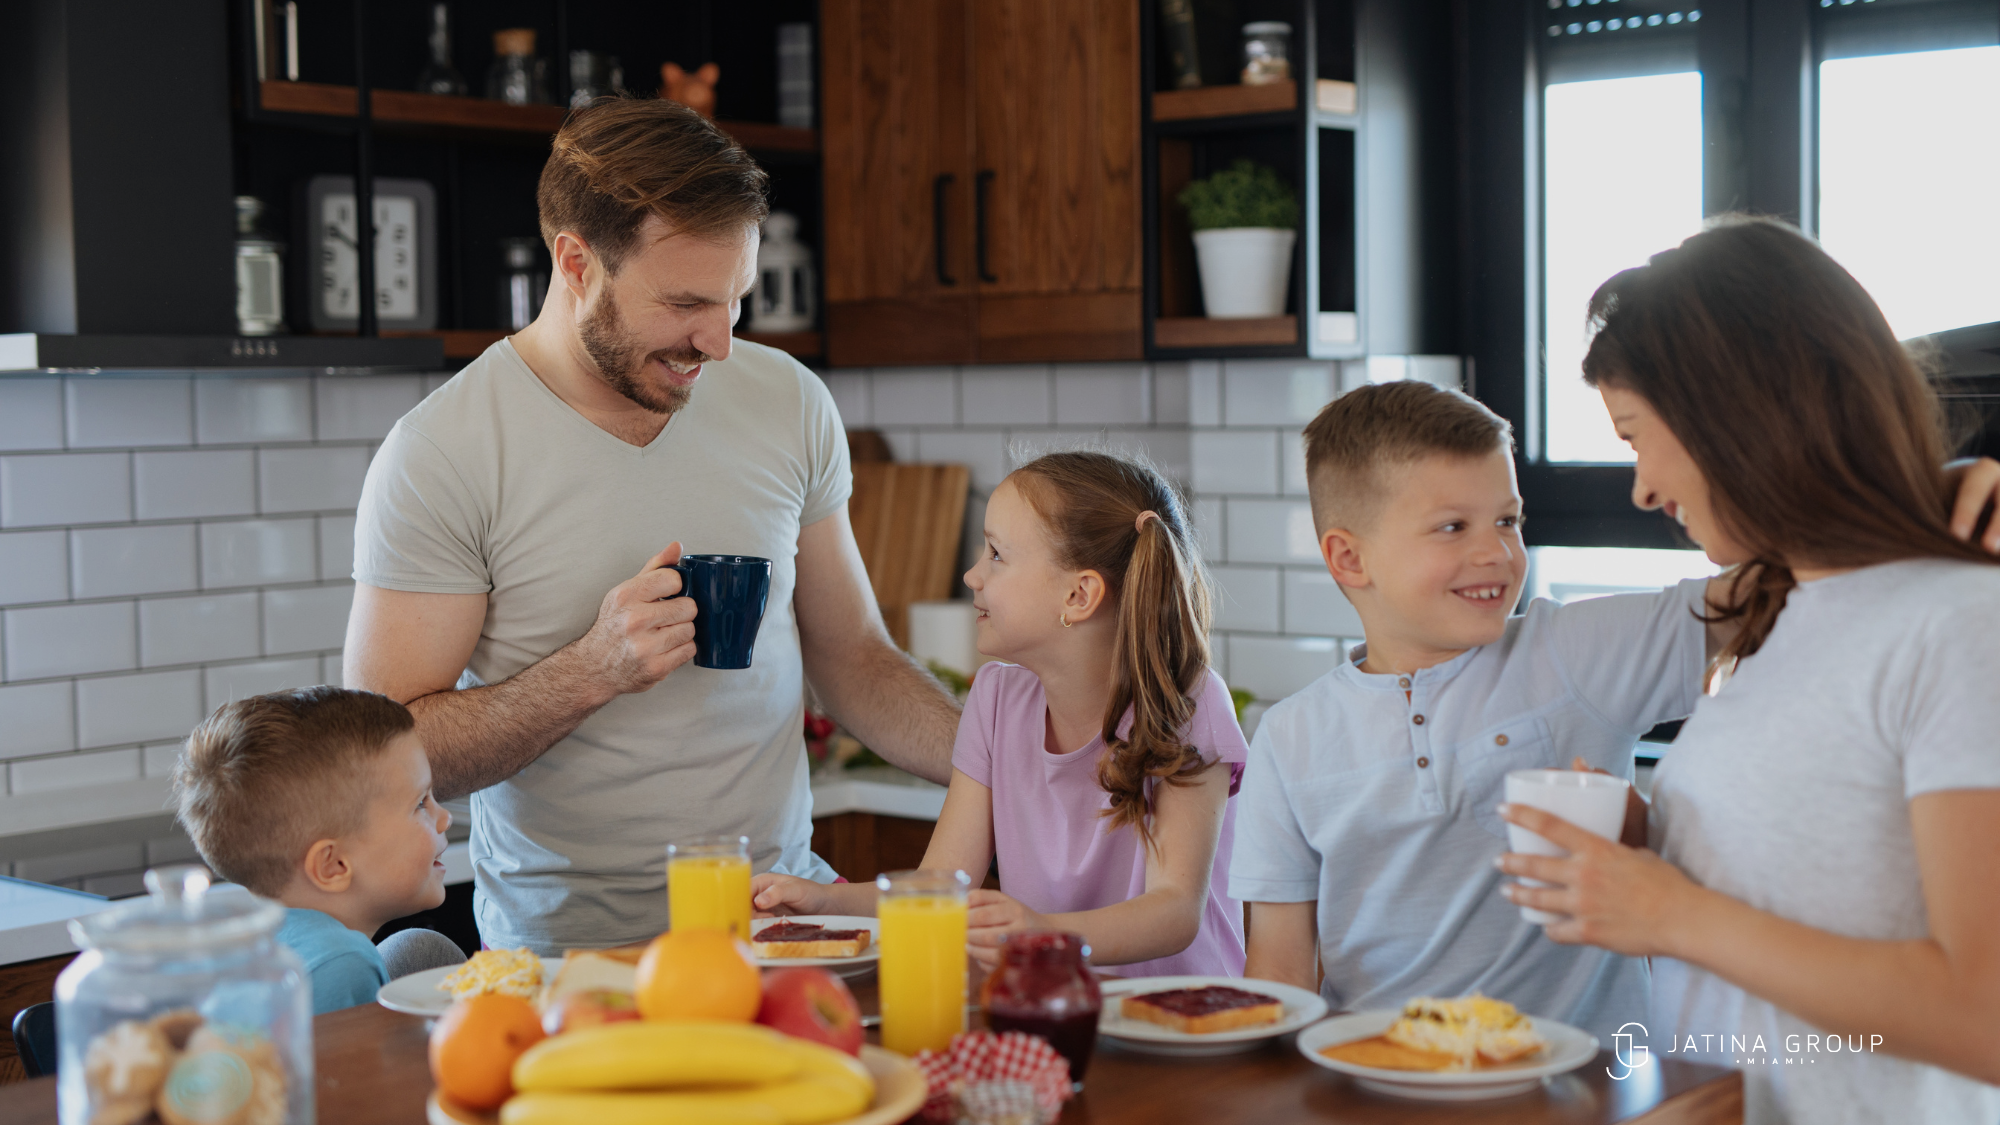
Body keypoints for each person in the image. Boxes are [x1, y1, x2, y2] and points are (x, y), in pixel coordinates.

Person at [342, 98, 960, 954]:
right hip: (574, 960)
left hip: (784, 926)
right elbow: (385, 754)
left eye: (735, 301)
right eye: (686, 303)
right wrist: (590, 671)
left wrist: (1002, 757)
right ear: (576, 262)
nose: (720, 343)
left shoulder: (787, 402)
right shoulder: (443, 451)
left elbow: (853, 656)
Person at [1496, 216, 2000, 1124]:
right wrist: (1658, 840)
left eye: (1636, 435)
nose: (1643, 487)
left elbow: (1984, 1018)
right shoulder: (1775, 615)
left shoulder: (1958, 623)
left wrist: (1670, 912)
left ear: (1736, 414)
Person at [1229, 380, 1728, 1042]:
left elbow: (1767, 593)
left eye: (1508, 520)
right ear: (1349, 558)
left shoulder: (1576, 652)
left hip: (1590, 1089)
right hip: (1383, 1084)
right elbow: (1281, 978)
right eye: (1452, 527)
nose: (1496, 552)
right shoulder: (1289, 738)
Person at [753, 451, 1249, 974]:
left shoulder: (1189, 705)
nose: (971, 575)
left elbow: (1174, 912)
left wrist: (1043, 935)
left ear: (1079, 595)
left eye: (995, 554)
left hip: (1186, 1025)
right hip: (1051, 1006)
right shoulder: (995, 700)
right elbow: (941, 888)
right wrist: (824, 902)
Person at [173, 688, 466, 1014]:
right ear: (334, 865)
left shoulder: (245, 939)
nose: (445, 817)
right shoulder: (341, 964)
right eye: (420, 804)